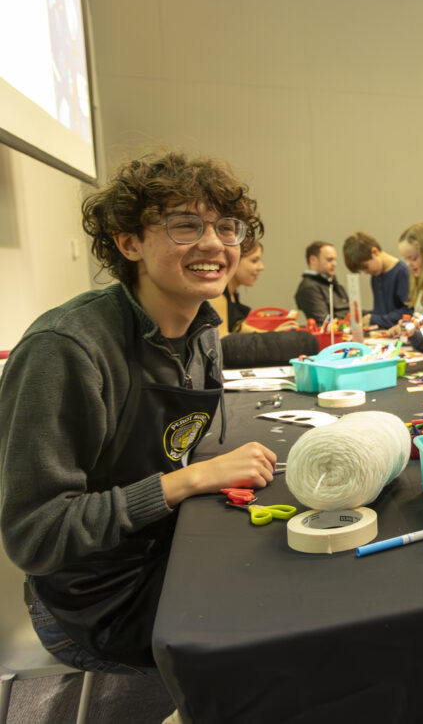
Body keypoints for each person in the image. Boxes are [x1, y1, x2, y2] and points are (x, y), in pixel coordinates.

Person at [0, 152, 278, 672]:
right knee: (285, 633)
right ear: (128, 243)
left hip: (166, 552)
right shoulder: (64, 350)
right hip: (92, 602)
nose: (214, 243)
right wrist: (186, 481)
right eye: (184, 225)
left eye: (227, 226)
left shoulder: (200, 326)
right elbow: (35, 535)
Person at [210, 241, 297, 336]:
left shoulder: (232, 293)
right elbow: (221, 339)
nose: (261, 267)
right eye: (254, 261)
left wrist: (273, 335)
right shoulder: (217, 295)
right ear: (234, 260)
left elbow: (238, 328)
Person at [341, 231, 410, 330]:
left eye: (365, 267)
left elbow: (409, 312)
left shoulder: (402, 272)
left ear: (374, 252)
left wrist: (374, 319)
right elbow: (382, 311)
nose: (366, 272)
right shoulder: (376, 276)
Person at [294, 240, 349, 324]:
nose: (335, 264)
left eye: (335, 259)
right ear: (313, 260)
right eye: (329, 260)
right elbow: (323, 323)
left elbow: (351, 312)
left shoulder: (333, 284)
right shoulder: (309, 288)